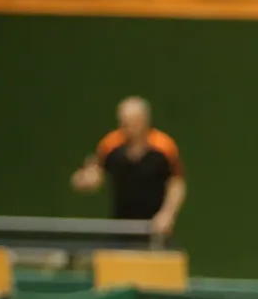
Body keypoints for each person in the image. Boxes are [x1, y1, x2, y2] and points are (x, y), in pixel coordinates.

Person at [71, 97, 186, 238]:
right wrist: (85, 179)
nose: (126, 127)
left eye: (131, 122)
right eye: (122, 121)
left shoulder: (164, 147)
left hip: (156, 229)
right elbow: (95, 173)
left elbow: (177, 183)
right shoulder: (110, 145)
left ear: (144, 121)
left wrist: (167, 214)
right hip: (120, 228)